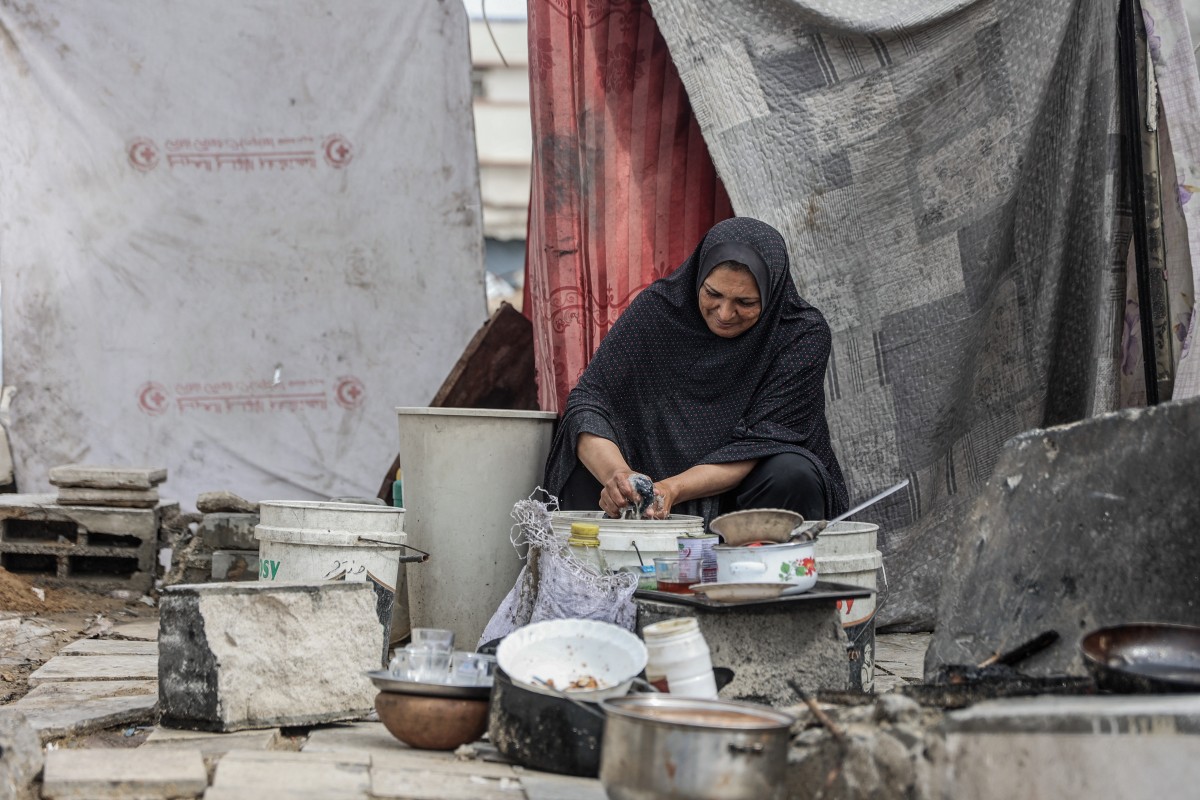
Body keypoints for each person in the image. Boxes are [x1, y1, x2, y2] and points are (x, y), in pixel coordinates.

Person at [543, 216, 848, 525]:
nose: (725, 314)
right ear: (698, 279)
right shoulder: (660, 310)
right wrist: (619, 476)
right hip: (654, 473)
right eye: (713, 294)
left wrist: (673, 488)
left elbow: (765, 441)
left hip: (741, 494)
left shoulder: (799, 334)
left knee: (791, 474)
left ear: (771, 297)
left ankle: (759, 570)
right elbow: (589, 402)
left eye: (745, 302)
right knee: (589, 466)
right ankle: (609, 570)